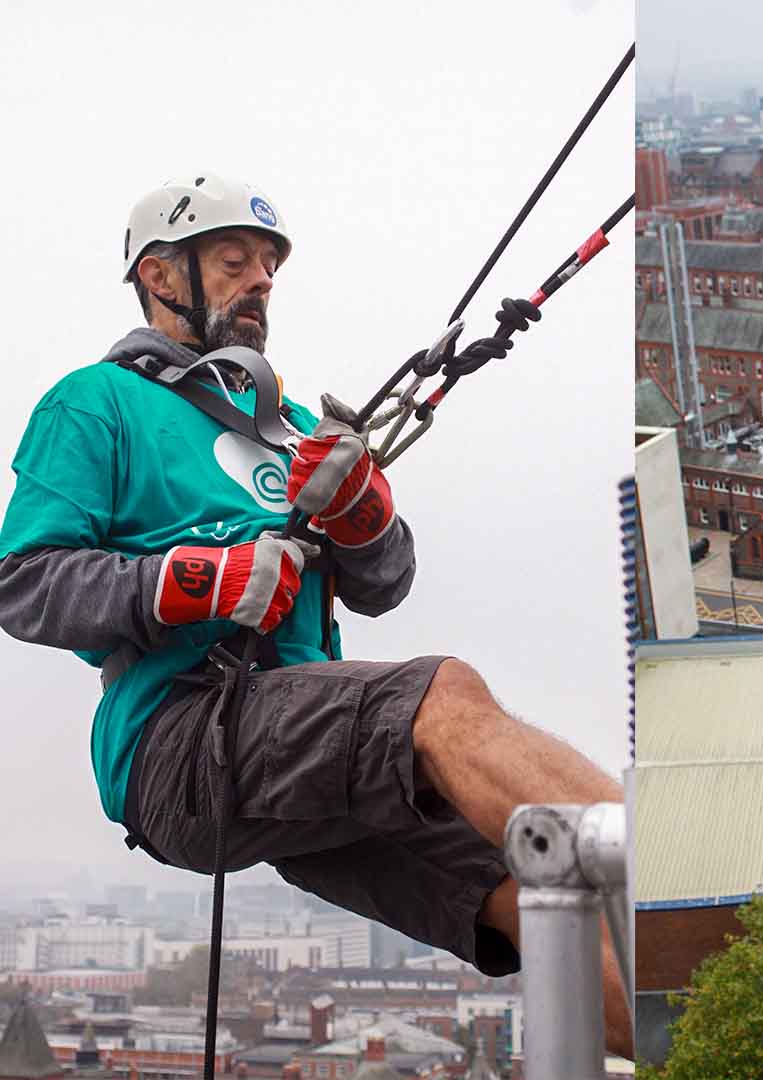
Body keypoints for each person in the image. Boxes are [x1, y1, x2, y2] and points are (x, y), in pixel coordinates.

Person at [0, 175, 631, 1056]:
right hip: (177, 735)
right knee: (442, 700)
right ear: (160, 275)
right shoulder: (96, 404)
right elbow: (24, 581)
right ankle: (660, 875)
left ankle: (701, 1030)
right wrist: (187, 583)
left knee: (526, 887)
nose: (260, 281)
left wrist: (365, 519)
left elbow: (385, 582)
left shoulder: (289, 427)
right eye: (233, 263)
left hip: (295, 740)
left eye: (267, 267)